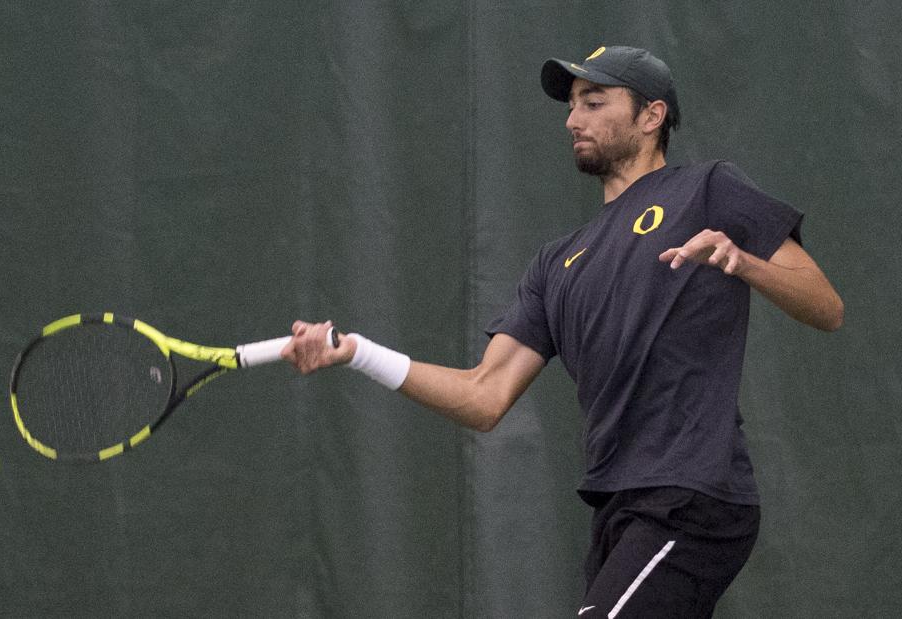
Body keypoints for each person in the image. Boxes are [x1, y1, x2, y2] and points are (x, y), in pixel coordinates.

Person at [282, 45, 843, 618]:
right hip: (616, 508)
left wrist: (741, 261)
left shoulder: (707, 190)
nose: (574, 120)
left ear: (651, 117)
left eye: (594, 102)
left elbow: (826, 306)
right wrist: (355, 352)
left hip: (691, 496)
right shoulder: (557, 263)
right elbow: (483, 396)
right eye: (572, 106)